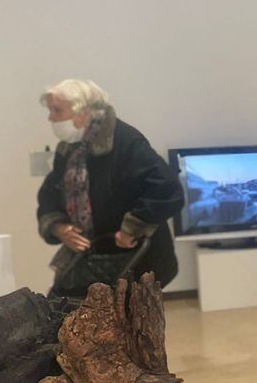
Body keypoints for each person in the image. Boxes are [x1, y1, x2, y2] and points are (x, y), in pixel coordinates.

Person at [37, 79, 183, 295]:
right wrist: (58, 227)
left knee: (123, 325)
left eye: (57, 110)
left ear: (83, 112)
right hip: (88, 260)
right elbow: (50, 194)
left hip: (133, 261)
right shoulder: (68, 149)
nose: (50, 118)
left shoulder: (125, 141)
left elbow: (167, 187)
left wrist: (132, 228)